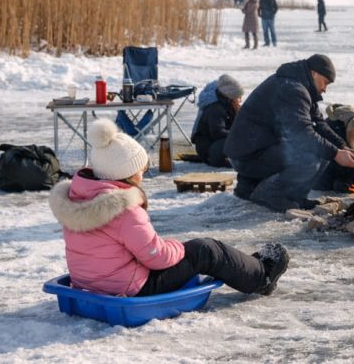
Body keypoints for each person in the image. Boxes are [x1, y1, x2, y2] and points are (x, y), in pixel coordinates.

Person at [48, 119, 289, 298]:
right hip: (132, 288)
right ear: (125, 173)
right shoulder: (121, 208)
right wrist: (177, 247)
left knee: (188, 250)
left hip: (92, 284)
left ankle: (250, 265)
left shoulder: (78, 196)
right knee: (206, 250)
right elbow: (158, 257)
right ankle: (261, 276)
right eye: (141, 168)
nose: (144, 172)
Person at [224, 54, 354, 212]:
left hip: (258, 148)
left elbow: (319, 124)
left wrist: (342, 147)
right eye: (325, 83)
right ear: (314, 73)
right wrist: (336, 153)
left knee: (325, 151)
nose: (325, 89)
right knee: (311, 157)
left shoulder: (300, 86)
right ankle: (271, 195)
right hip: (247, 155)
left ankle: (291, 196)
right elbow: (302, 134)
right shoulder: (292, 89)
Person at [191, 74, 244, 168]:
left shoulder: (226, 106)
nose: (239, 101)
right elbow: (218, 132)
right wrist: (238, 134)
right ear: (230, 97)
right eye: (238, 98)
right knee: (234, 139)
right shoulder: (216, 109)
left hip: (213, 146)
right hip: (209, 151)